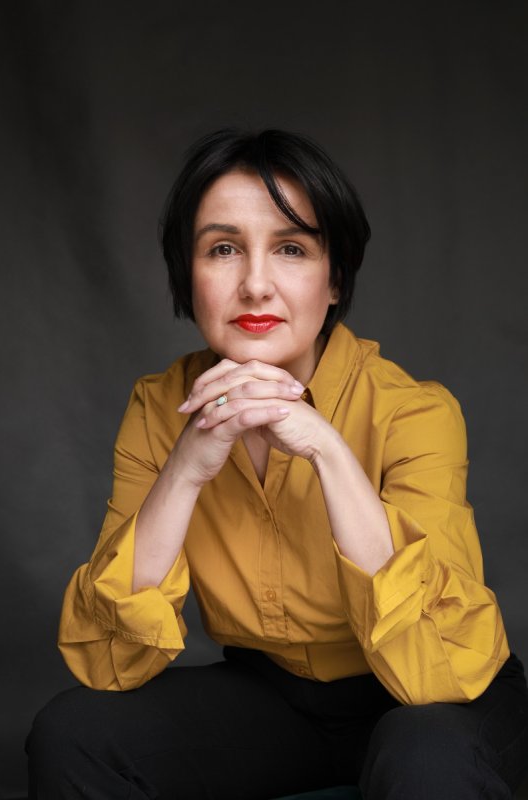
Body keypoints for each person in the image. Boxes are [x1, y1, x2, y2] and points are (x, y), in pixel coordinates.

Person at [27, 129, 528, 799]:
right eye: (223, 249)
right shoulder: (159, 408)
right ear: (187, 275)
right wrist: (187, 466)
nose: (255, 285)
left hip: (429, 696)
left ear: (335, 278)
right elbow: (108, 661)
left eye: (291, 248)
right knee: (73, 733)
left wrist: (326, 449)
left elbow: (443, 667)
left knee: (426, 756)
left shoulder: (416, 411)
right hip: (274, 697)